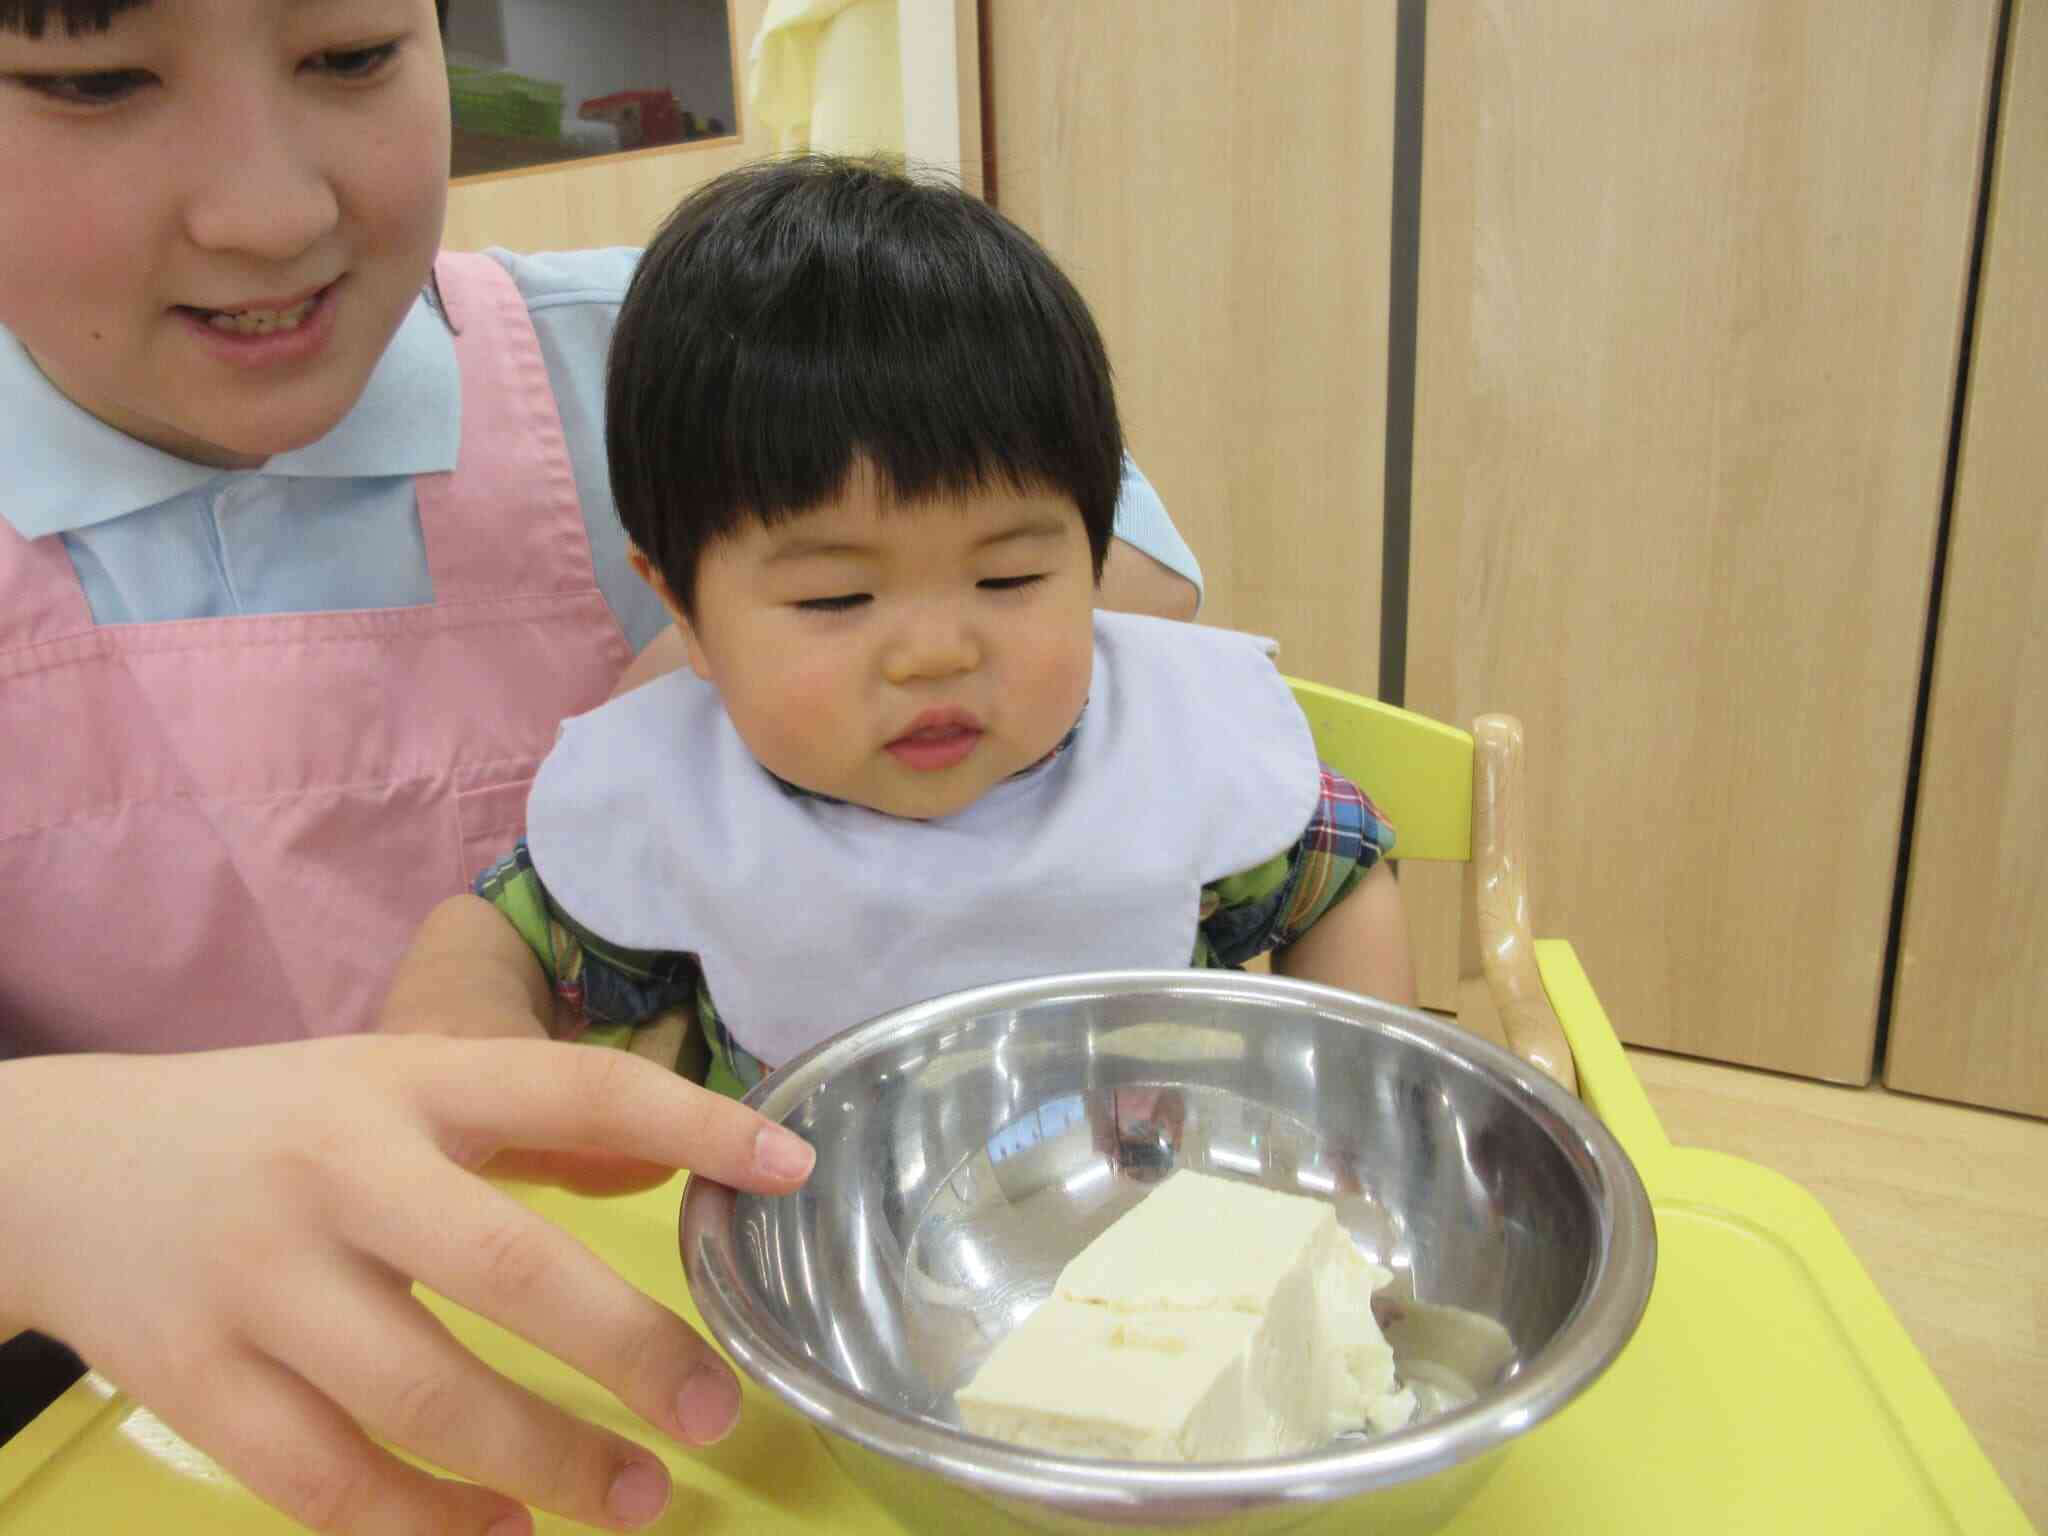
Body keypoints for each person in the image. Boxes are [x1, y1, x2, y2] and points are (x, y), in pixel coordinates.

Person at [0, 2, 1203, 1533]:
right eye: (93, 81)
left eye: (352, 57)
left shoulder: (682, 355)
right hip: (126, 1425)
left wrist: (732, 691)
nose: (272, 211)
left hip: (763, 1348)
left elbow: (1120, 616)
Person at [383, 156, 1418, 1097]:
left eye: (1009, 576)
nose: (936, 653)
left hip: (1165, 1245)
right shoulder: (681, 797)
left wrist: (1353, 1099)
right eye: (836, 599)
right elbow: (499, 927)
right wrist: (462, 1011)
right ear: (684, 613)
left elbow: (1342, 875)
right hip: (826, 1277)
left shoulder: (1162, 749)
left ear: (1093, 554)